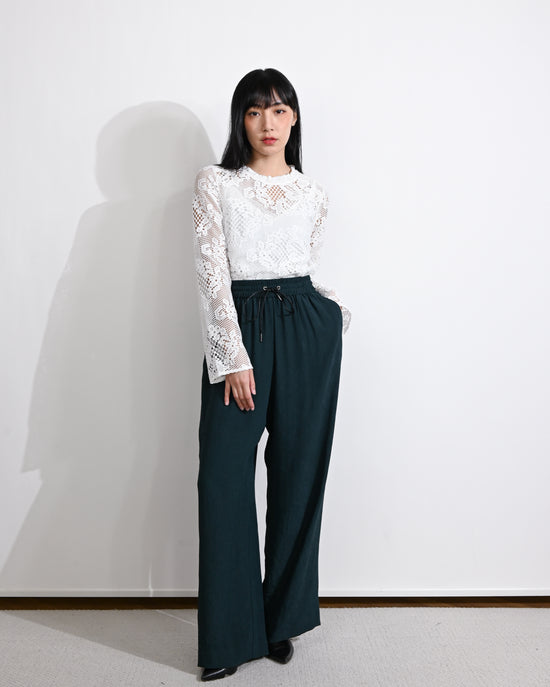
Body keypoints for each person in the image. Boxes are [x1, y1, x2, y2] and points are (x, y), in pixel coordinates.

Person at [192, 67, 351, 682]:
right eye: (255, 110)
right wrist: (232, 356)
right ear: (241, 119)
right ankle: (230, 635)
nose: (268, 123)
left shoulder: (314, 194)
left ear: (294, 119)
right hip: (242, 327)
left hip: (306, 330)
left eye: (280, 110)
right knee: (224, 478)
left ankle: (281, 619)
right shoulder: (217, 183)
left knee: (298, 473)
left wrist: (330, 318)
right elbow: (212, 273)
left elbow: (304, 266)